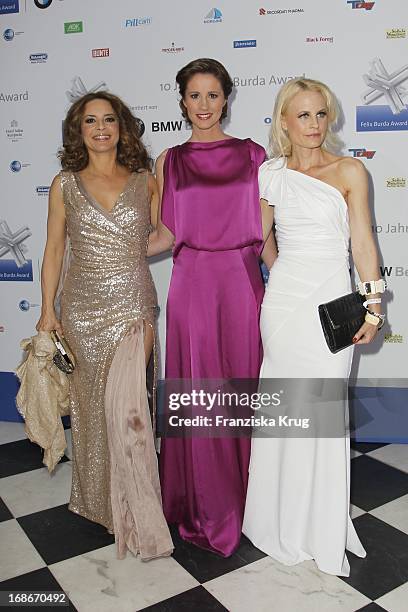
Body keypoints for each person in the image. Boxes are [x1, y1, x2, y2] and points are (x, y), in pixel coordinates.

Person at [243, 78, 386, 576]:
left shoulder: (350, 170)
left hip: (332, 300)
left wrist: (374, 306)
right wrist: (282, 276)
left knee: (322, 412)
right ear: (284, 120)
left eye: (320, 114)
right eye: (302, 115)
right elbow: (259, 240)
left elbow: (363, 241)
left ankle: (319, 525)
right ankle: (274, 518)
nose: (313, 125)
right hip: (284, 304)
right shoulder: (271, 174)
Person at [36, 91, 173, 560]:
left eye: (109, 119)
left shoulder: (146, 181)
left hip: (135, 305)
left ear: (122, 127)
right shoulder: (64, 185)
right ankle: (101, 506)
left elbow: (163, 235)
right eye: (90, 120)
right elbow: (54, 250)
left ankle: (139, 509)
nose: (100, 128)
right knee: (93, 411)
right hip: (81, 311)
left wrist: (126, 256)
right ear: (79, 130)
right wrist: (47, 310)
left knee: (133, 413)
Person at [148, 58, 275, 556]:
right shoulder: (170, 160)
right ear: (182, 101)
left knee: (242, 393)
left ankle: (253, 502)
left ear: (227, 98)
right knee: (201, 397)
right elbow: (166, 233)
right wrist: (109, 251)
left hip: (243, 282)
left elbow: (264, 230)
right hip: (193, 285)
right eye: (194, 96)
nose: (204, 105)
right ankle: (207, 507)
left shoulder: (253, 154)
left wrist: (286, 279)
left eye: (213, 95)